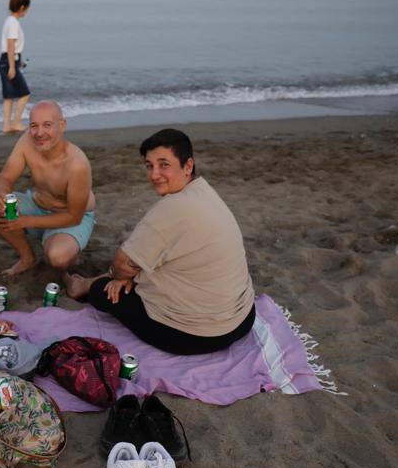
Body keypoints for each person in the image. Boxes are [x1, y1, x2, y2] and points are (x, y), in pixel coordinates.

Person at [65, 129, 256, 355]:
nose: (154, 174)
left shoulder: (171, 210)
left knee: (104, 290)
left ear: (187, 166)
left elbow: (121, 264)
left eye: (164, 164)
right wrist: (127, 275)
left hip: (198, 335)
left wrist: (119, 277)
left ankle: (82, 285)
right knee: (135, 272)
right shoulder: (204, 191)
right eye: (149, 165)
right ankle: (101, 280)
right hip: (243, 318)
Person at [0, 100, 95, 277]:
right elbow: (5, 177)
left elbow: (74, 216)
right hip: (38, 205)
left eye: (47, 125)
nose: (39, 133)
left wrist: (25, 221)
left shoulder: (77, 163)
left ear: (62, 125)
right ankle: (27, 257)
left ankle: (68, 248)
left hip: (70, 217)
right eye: (34, 126)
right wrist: (1, 195)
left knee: (58, 258)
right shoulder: (27, 141)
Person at [0, 0, 31, 133]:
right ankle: (16, 123)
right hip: (8, 61)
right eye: (28, 8)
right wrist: (12, 67)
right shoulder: (13, 23)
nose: (28, 11)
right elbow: (11, 44)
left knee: (9, 96)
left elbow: (12, 47)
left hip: (8, 60)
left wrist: (19, 62)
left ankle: (7, 126)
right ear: (22, 7)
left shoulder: (10, 20)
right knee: (25, 93)